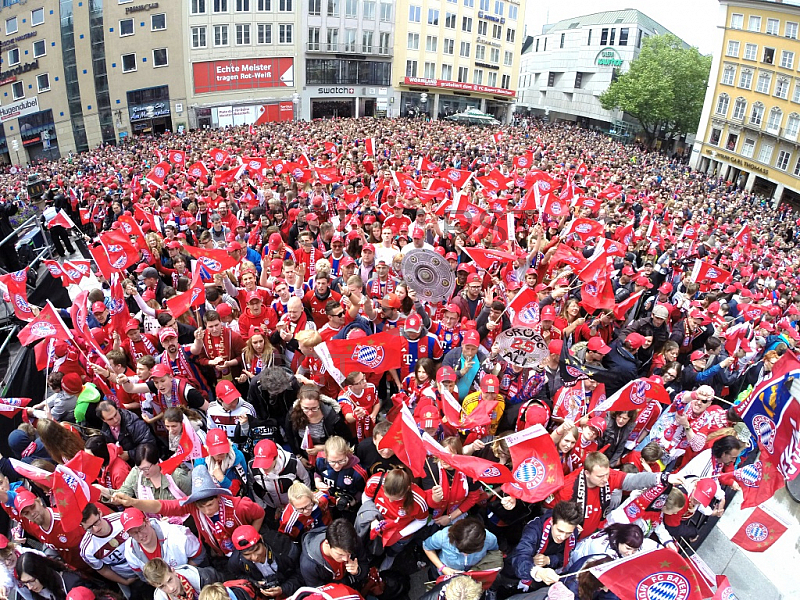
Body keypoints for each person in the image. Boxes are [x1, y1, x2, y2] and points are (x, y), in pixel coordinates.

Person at [112, 464, 265, 558]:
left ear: (218, 497)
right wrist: (133, 502)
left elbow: (260, 515)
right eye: (201, 507)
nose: (206, 511)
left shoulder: (239, 505)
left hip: (248, 550)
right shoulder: (191, 507)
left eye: (210, 504)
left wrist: (250, 538)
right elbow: (162, 506)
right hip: (221, 555)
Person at [504, 501, 584, 591]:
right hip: (516, 572)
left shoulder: (574, 531)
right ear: (552, 521)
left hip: (547, 575)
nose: (563, 537)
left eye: (568, 533)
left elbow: (566, 556)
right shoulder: (534, 530)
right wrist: (537, 572)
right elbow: (520, 555)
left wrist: (549, 559)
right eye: (560, 531)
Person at [121, 507, 206, 575]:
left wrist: (184, 574)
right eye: (133, 533)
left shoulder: (177, 534)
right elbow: (142, 575)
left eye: (141, 528)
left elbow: (199, 554)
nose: (140, 535)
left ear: (147, 521)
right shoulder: (130, 551)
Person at [78, 504, 142, 590]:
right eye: (89, 528)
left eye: (96, 522)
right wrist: (124, 582)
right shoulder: (87, 550)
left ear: (100, 512)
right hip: (128, 577)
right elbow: (103, 570)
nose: (96, 529)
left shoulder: (121, 519)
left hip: (144, 564)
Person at [228, 524, 303, 598]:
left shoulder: (286, 549)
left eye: (257, 550)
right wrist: (254, 583)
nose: (255, 557)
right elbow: (237, 576)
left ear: (261, 539)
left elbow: (302, 574)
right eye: (247, 555)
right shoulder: (236, 562)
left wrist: (284, 589)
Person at [250, 439, 312, 520]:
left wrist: (304, 501)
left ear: (276, 457)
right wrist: (262, 507)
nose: (263, 467)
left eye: (266, 463)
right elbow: (253, 486)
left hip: (294, 507)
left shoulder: (292, 462)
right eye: (260, 463)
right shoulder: (252, 466)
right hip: (270, 506)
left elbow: (305, 479)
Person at [298, 519, 368, 589]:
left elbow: (364, 564)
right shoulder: (309, 566)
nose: (346, 559)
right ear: (327, 543)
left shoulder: (354, 542)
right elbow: (320, 593)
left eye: (349, 553)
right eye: (340, 554)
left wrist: (358, 571)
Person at [422, 517, 502, 577]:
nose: (465, 555)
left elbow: (493, 553)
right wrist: (442, 568)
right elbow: (427, 547)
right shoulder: (443, 537)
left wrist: (477, 569)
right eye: (462, 551)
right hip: (444, 572)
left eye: (470, 552)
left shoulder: (490, 539)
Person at [15, 553, 94, 600]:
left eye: (31, 580)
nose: (29, 587)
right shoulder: (37, 590)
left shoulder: (71, 584)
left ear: (40, 573)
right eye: (25, 583)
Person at [142, 558, 221, 600]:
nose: (171, 588)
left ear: (173, 572)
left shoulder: (203, 577)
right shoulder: (161, 598)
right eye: (162, 586)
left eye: (170, 580)